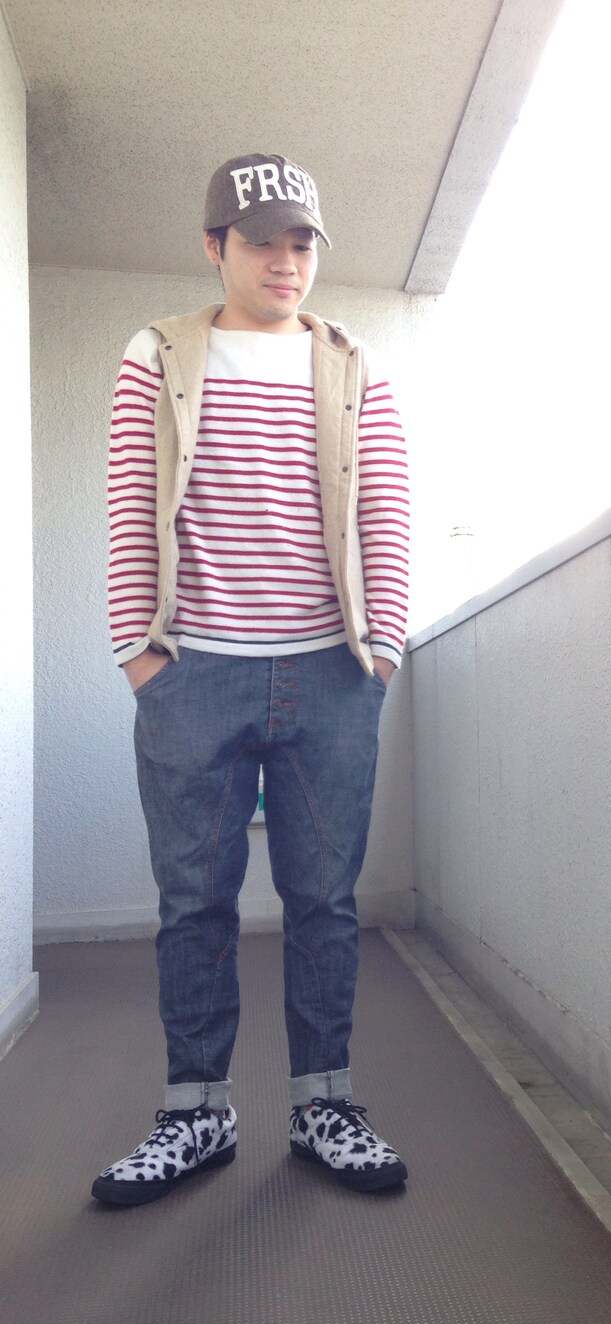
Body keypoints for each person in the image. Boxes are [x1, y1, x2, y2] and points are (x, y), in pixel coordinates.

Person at [92, 153, 410, 1206]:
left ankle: (325, 1106)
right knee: (194, 901)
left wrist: (383, 651)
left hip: (331, 675)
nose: (285, 260)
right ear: (214, 245)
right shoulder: (157, 353)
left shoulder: (354, 364)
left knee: (324, 900)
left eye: (301, 241)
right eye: (262, 239)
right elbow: (132, 503)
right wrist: (141, 657)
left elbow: (386, 509)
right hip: (196, 674)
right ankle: (196, 1113)